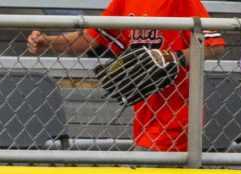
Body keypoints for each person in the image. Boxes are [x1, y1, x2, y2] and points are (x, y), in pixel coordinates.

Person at [29, 0, 225, 151]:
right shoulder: (124, 1)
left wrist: (174, 57)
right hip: (143, 115)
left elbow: (213, 46)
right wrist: (48, 41)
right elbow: (90, 38)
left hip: (177, 116)